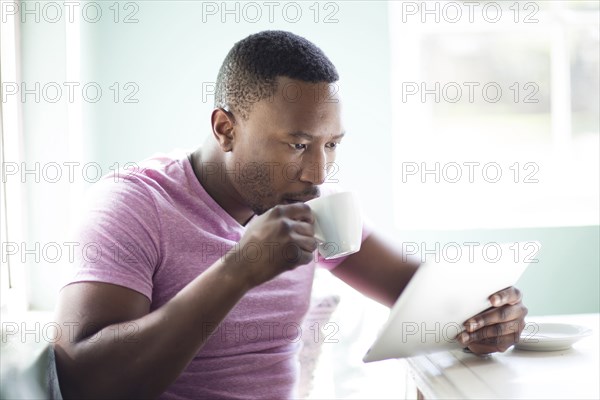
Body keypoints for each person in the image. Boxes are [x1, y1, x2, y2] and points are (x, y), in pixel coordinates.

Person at [53, 30, 527, 399]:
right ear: (225, 129)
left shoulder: (315, 207)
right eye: (298, 145)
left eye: (332, 145)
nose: (318, 172)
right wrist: (237, 271)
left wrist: (486, 319)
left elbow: (426, 297)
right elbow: (86, 383)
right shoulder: (133, 206)